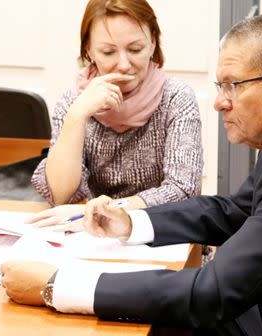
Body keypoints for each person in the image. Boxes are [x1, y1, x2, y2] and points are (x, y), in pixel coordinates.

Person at [0, 14, 262, 336]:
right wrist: (129, 221)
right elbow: (235, 210)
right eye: (220, 85)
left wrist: (56, 285)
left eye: (233, 86)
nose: (219, 102)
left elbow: (213, 294)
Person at [29, 0, 203, 225]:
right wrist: (76, 116)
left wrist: (106, 210)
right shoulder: (74, 102)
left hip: (162, 233)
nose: (123, 64)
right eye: (108, 52)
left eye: (135, 49)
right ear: (88, 50)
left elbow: (183, 190)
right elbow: (60, 196)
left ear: (152, 43)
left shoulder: (176, 97)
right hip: (95, 235)